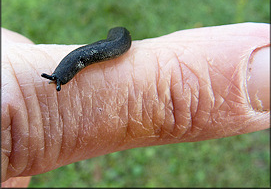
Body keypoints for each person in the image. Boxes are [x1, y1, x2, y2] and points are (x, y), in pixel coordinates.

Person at [1, 23, 270, 187]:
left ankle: (64, 72)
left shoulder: (115, 45)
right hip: (75, 64)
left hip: (112, 42)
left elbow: (98, 51)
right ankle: (62, 73)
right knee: (81, 56)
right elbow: (79, 57)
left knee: (93, 51)